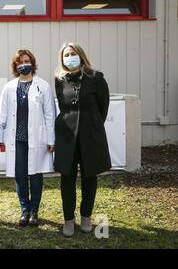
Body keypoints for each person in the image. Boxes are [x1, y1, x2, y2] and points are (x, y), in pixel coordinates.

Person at [54, 42, 111, 237]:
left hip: (90, 135)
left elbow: (103, 108)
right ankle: (68, 220)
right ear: (62, 59)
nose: (70, 57)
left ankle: (86, 216)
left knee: (89, 176)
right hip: (67, 136)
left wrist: (91, 125)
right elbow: (63, 106)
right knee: (67, 178)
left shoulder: (96, 78)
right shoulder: (59, 79)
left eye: (73, 53)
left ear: (81, 55)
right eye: (66, 55)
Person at [0, 50, 56, 227]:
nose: (23, 64)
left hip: (37, 139)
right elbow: (2, 113)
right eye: (20, 62)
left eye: (26, 61)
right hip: (17, 138)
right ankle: (25, 210)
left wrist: (52, 139)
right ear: (15, 66)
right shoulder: (9, 87)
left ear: (33, 63)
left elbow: (50, 115)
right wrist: (0, 135)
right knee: (20, 176)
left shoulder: (42, 86)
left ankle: (35, 211)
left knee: (36, 175)